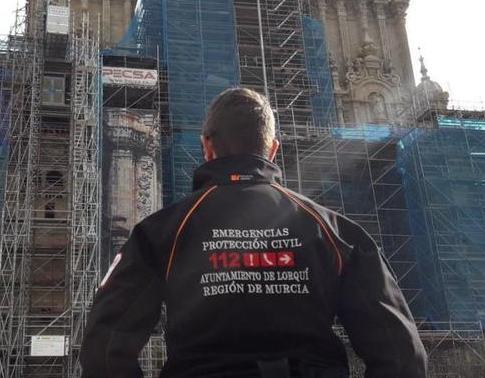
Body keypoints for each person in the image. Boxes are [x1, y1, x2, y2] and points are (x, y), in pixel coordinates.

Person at [79, 87, 427, 377]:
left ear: (207, 146)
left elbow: (103, 345)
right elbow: (402, 354)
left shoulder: (161, 231)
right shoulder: (335, 230)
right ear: (272, 149)